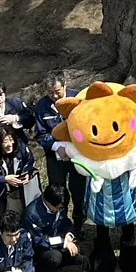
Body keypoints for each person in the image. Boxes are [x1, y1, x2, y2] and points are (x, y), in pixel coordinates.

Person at [34, 73, 86, 229]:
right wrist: (58, 147)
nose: (54, 96)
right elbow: (41, 135)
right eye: (50, 93)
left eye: (57, 91)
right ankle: (62, 224)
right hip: (55, 157)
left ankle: (79, 224)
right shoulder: (42, 107)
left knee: (79, 192)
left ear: (65, 85)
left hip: (78, 155)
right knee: (58, 192)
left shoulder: (79, 99)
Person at [0, 122, 38, 230]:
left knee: (23, 217)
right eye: (5, 142)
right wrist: (5, 179)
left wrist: (27, 173)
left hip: (20, 191)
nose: (9, 144)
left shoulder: (20, 147)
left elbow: (30, 161)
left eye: (11, 139)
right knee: (1, 223)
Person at [22, 182, 80, 272]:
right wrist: (63, 242)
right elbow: (38, 240)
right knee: (55, 257)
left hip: (54, 240)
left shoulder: (58, 207)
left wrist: (69, 235)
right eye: (58, 208)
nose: (60, 210)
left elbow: (65, 222)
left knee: (74, 250)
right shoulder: (32, 213)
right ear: (48, 202)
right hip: (37, 249)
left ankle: (63, 261)